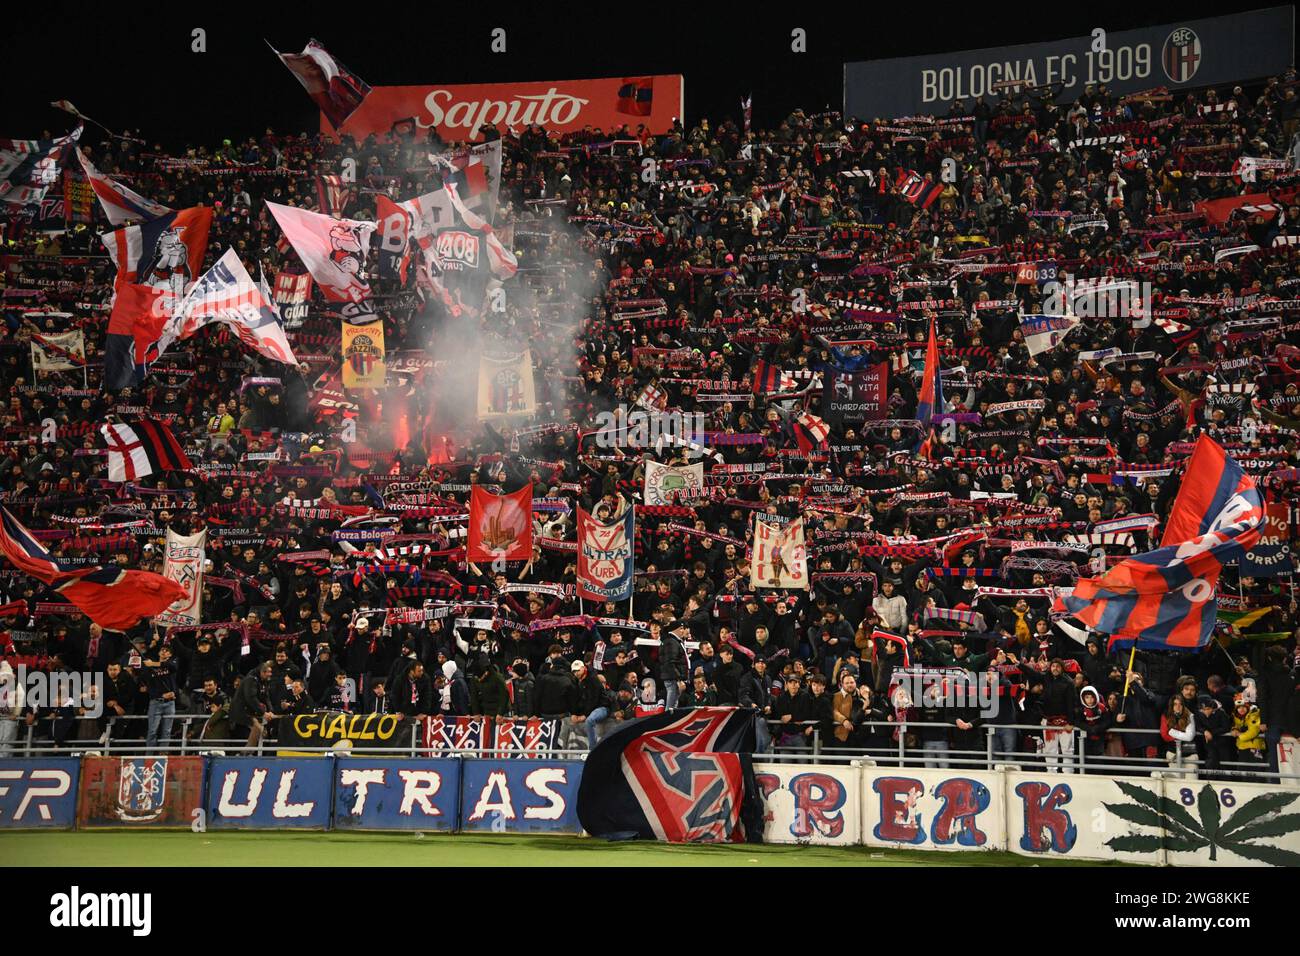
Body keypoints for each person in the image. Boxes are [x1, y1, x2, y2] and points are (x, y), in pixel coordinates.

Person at [143, 641, 179, 755]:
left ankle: (163, 755)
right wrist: (161, 695)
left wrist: (153, 664)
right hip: (156, 702)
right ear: (158, 653)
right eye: (162, 650)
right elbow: (150, 688)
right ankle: (149, 756)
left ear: (170, 655)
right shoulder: (150, 669)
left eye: (167, 651)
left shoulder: (173, 663)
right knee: (152, 731)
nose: (164, 652)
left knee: (167, 731)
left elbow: (171, 666)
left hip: (170, 703)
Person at [229, 661, 272, 749]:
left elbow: (266, 697)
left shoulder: (263, 681)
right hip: (241, 714)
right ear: (262, 672)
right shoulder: (250, 680)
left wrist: (270, 711)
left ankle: (247, 753)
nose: (270, 674)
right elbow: (251, 698)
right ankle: (243, 754)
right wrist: (263, 712)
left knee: (259, 731)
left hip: (251, 714)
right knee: (255, 731)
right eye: (269, 672)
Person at [658, 620, 689, 710]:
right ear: (677, 629)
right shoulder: (671, 642)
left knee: (673, 707)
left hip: (673, 678)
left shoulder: (673, 641)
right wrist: (678, 679)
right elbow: (670, 662)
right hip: (673, 679)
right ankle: (666, 723)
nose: (683, 631)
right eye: (682, 628)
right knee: (671, 708)